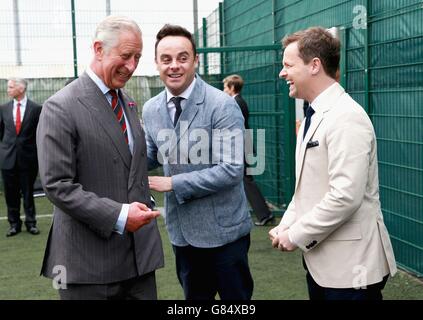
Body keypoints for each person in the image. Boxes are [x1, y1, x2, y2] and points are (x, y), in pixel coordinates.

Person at [36, 15, 164, 300]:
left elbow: (130, 165)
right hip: (87, 267)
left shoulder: (128, 102)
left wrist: (145, 201)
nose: (132, 66)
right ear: (98, 49)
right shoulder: (61, 107)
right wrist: (120, 215)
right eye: (126, 55)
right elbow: (57, 185)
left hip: (139, 262)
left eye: (138, 57)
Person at [269, 27, 397, 300]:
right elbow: (308, 187)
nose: (282, 73)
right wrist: (287, 224)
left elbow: (345, 196)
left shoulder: (346, 116)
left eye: (288, 65)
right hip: (325, 266)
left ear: (314, 65)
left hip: (351, 270)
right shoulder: (313, 115)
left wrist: (296, 235)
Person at [143, 24, 253, 300]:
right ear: (156, 63)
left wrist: (172, 183)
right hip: (183, 235)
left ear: (195, 61)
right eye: (166, 59)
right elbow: (146, 156)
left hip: (225, 235)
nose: (174, 66)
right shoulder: (151, 108)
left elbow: (231, 170)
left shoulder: (222, 105)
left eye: (182, 57)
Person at [223, 74, 274, 226]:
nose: (224, 90)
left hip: (241, 146)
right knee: (243, 180)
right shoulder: (238, 102)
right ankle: (264, 213)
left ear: (232, 88)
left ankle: (264, 214)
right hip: (242, 145)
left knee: (246, 180)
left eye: (226, 87)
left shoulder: (237, 103)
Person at [0, 77, 41, 237]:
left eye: (11, 87)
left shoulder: (36, 108)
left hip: (28, 159)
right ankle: (14, 224)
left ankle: (31, 223)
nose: (8, 90)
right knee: (11, 194)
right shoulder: (3, 108)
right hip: (7, 159)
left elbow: (38, 134)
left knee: (28, 192)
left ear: (21, 88)